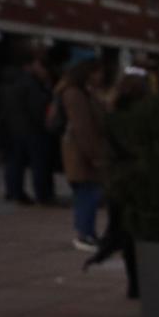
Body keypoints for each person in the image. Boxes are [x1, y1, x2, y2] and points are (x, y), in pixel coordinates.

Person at [85, 67, 151, 298]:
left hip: (118, 180)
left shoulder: (112, 115)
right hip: (136, 179)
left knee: (126, 232)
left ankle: (134, 284)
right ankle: (139, 283)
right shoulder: (140, 117)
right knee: (138, 233)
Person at [57, 58, 111, 252]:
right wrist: (94, 155)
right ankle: (84, 234)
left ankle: (88, 233)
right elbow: (83, 128)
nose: (100, 76)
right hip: (81, 153)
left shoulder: (84, 92)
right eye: (97, 72)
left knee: (88, 193)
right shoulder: (74, 94)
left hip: (84, 150)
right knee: (87, 194)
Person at [0, 57, 56, 206]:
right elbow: (37, 108)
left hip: (15, 129)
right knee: (38, 164)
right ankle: (42, 195)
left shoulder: (12, 84)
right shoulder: (31, 85)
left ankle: (15, 192)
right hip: (32, 130)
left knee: (15, 163)